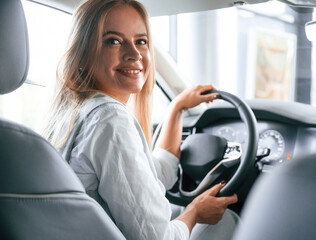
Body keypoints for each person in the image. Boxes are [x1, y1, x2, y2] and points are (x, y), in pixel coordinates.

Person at [43, 0, 239, 239]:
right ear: (83, 54)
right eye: (113, 41)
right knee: (226, 220)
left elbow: (157, 174)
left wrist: (176, 109)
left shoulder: (73, 113)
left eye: (141, 41)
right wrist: (194, 212)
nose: (134, 54)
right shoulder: (109, 119)